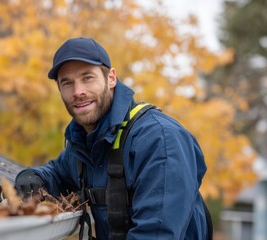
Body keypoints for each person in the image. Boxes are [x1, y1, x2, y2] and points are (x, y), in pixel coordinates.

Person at [15, 37, 210, 239]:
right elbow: (57, 172)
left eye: (87, 78)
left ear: (111, 78)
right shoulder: (85, 143)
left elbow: (156, 234)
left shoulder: (160, 139)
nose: (78, 91)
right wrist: (34, 177)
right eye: (67, 83)